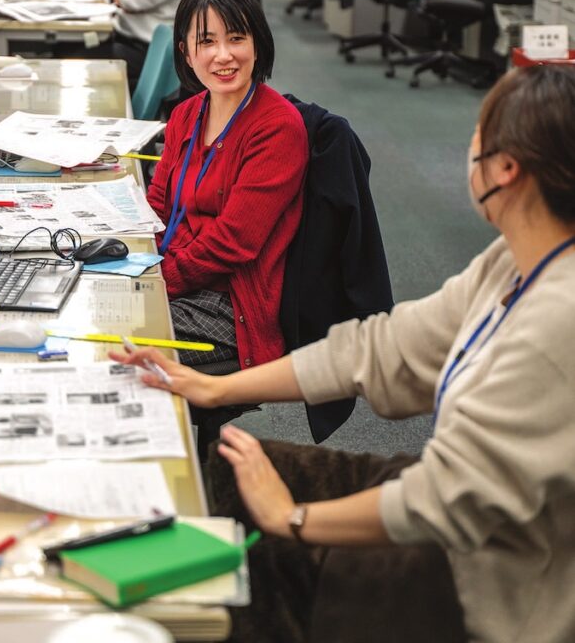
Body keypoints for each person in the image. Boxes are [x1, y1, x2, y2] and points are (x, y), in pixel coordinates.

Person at [115, 63, 575, 643]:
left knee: (251, 557)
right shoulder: (514, 262)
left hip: (492, 589)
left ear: (506, 171)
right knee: (227, 477)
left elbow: (448, 499)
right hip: (466, 509)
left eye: (477, 140)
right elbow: (380, 349)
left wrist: (294, 520)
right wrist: (216, 387)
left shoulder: (555, 324)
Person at [139, 0, 308, 367]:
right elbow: (158, 203)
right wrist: (130, 260)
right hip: (175, 276)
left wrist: (157, 281)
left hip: (232, 306)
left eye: (236, 38)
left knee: (115, 341)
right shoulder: (187, 113)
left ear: (257, 43)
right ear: (185, 51)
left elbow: (234, 243)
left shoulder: (278, 128)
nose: (223, 55)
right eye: (207, 42)